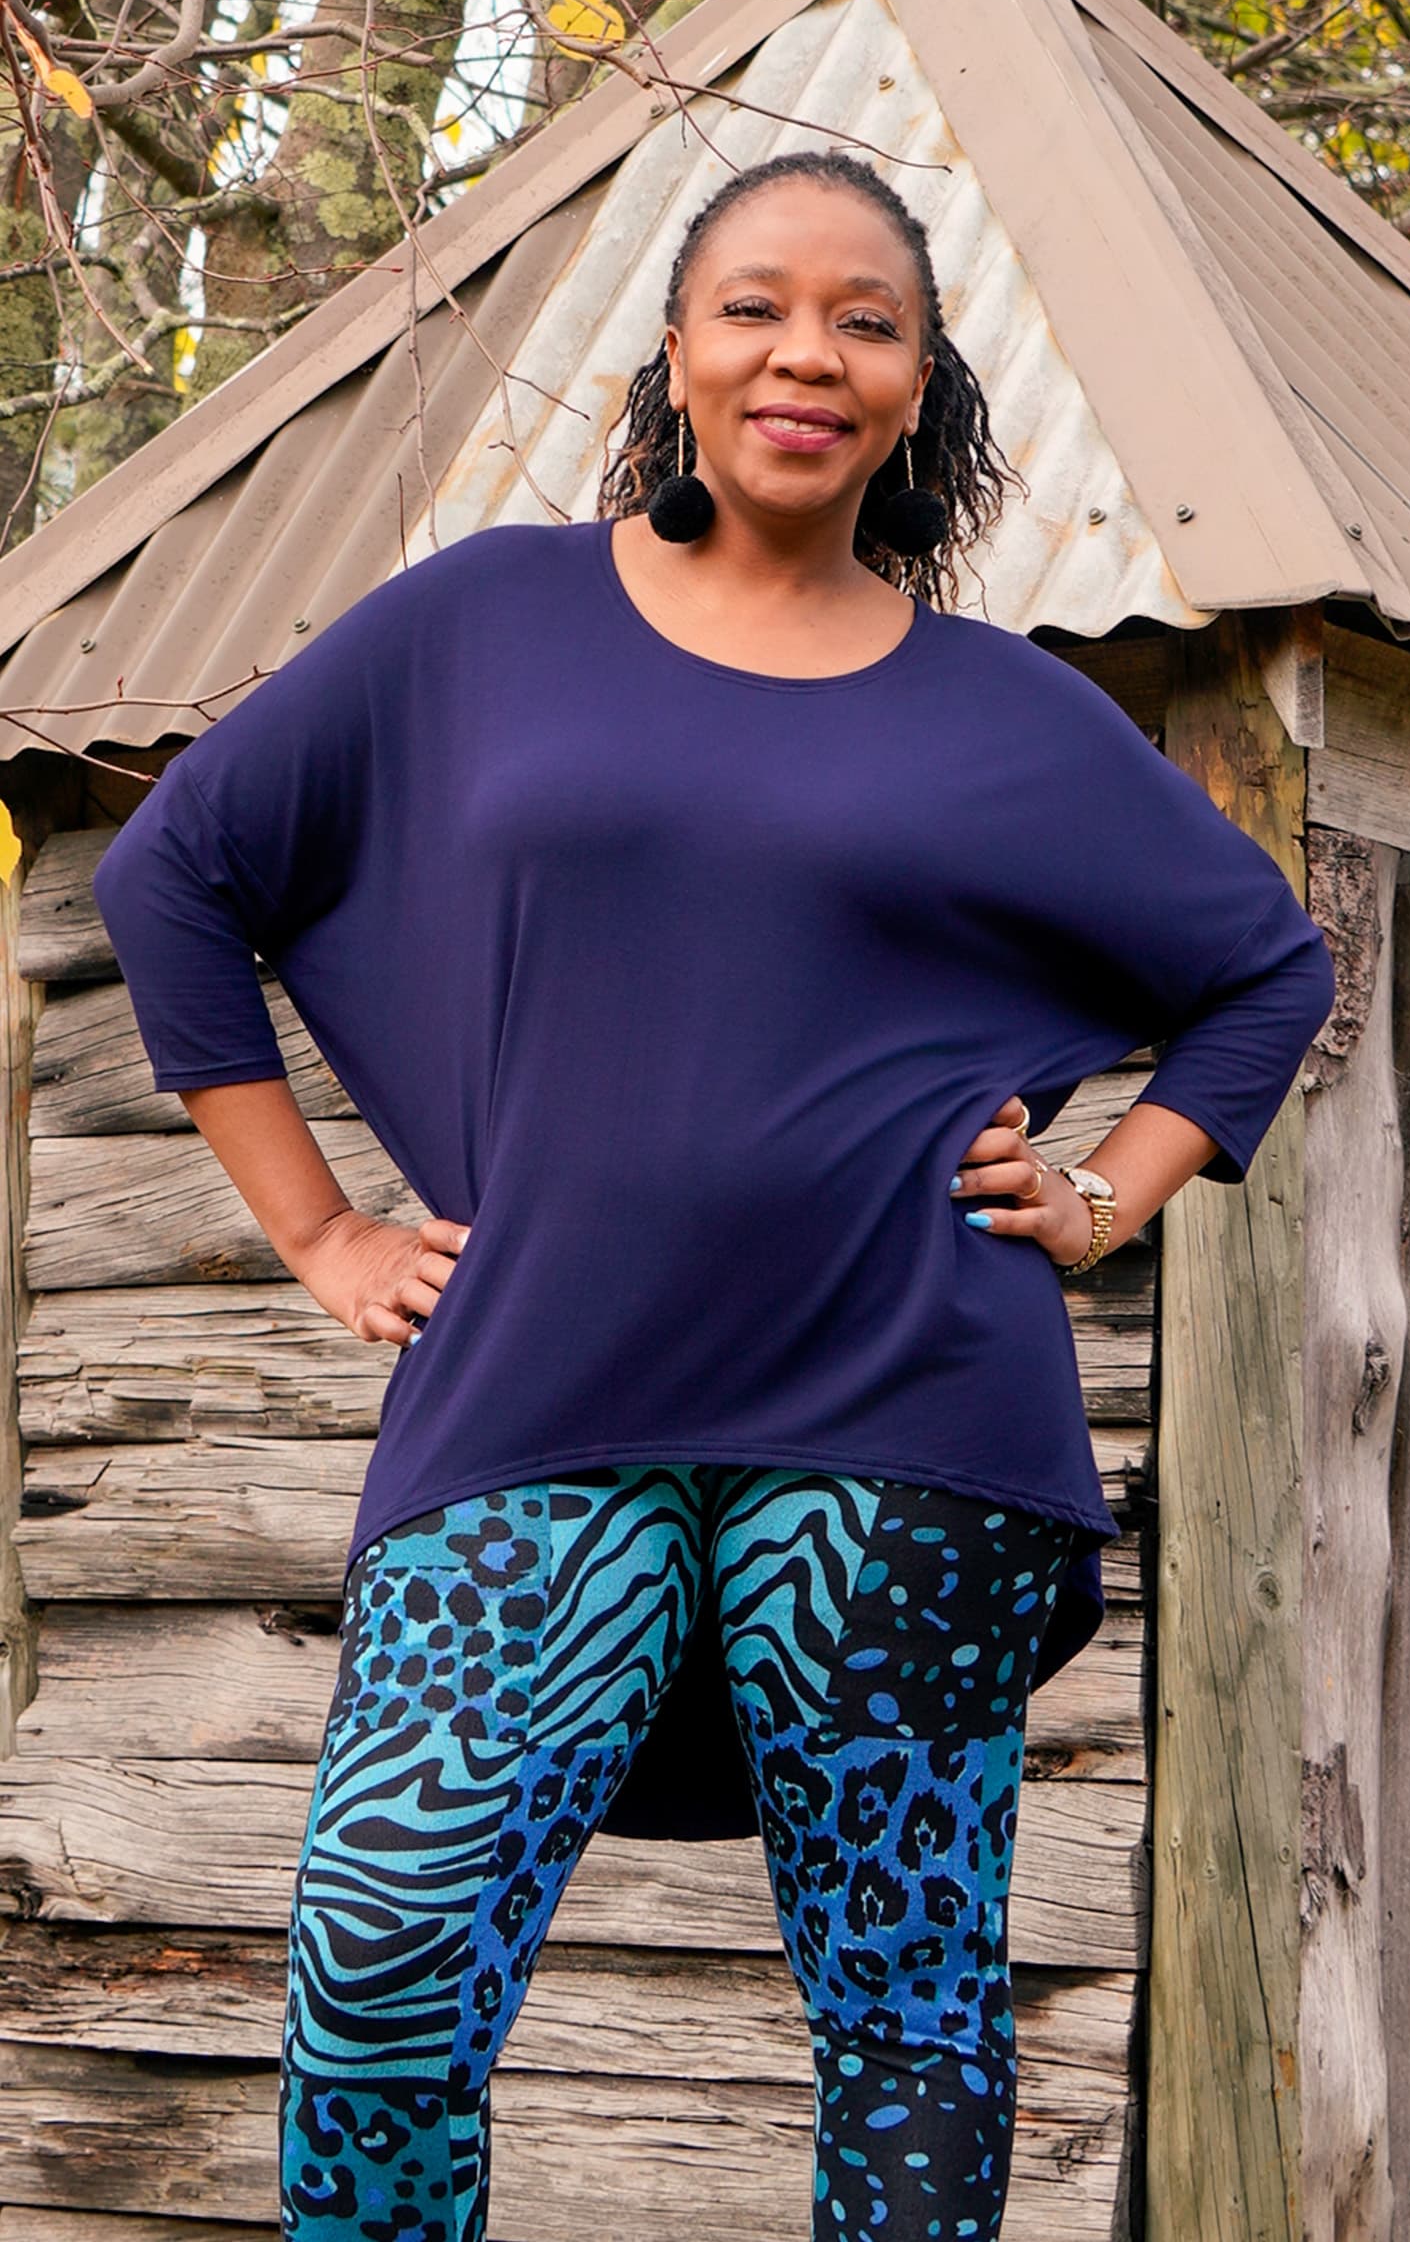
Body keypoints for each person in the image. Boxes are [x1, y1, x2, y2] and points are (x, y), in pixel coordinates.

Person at [91, 148, 1337, 2242]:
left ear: (919, 384)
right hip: (538, 1398)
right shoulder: (485, 620)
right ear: (673, 355)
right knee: (383, 1966)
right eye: (756, 306)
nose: (805, 354)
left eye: (866, 321)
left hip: (903, 1421)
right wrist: (318, 1230)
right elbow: (177, 872)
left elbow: (1263, 970)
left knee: (903, 2017)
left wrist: (1108, 1195)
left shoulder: (1009, 716)